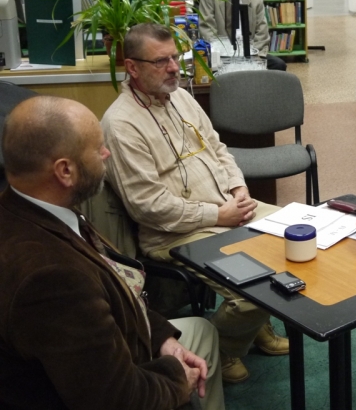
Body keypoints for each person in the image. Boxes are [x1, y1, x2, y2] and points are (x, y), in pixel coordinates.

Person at [0, 95, 224, 410]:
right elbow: (116, 398)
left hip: (110, 348)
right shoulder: (52, 278)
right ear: (65, 171)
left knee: (203, 331)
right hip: (108, 385)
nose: (106, 153)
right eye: (97, 149)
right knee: (198, 356)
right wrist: (177, 378)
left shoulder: (30, 209)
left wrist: (161, 337)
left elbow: (114, 284)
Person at [102, 23, 289, 385]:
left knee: (297, 235)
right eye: (161, 61)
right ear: (132, 67)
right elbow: (148, 207)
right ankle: (223, 348)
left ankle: (252, 328)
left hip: (226, 207)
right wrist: (219, 214)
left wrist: (238, 187)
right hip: (176, 232)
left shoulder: (180, 97)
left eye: (176, 57)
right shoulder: (121, 124)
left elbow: (218, 148)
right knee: (254, 293)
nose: (174, 68)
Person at [198, 0, 287, 71]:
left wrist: (252, 55)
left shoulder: (256, 0)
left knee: (278, 65)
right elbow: (208, 30)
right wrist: (225, 54)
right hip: (222, 54)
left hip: (250, 53)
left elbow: (262, 34)